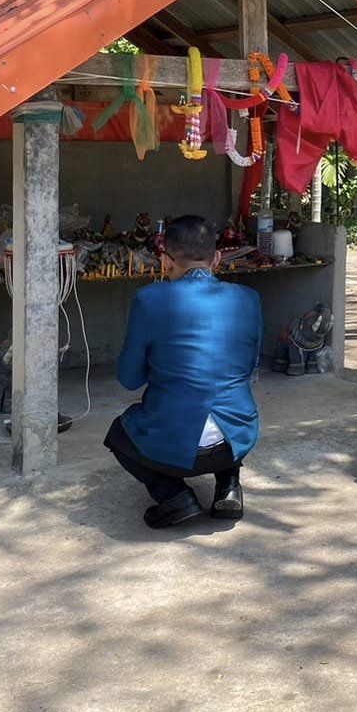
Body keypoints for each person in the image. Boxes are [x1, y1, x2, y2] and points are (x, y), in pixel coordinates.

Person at [104, 215, 262, 529]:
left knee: (119, 433)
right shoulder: (248, 298)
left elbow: (129, 378)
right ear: (218, 257)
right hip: (237, 437)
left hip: (173, 443)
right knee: (230, 398)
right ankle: (228, 486)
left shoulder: (149, 299)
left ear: (164, 260)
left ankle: (174, 495)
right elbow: (248, 366)